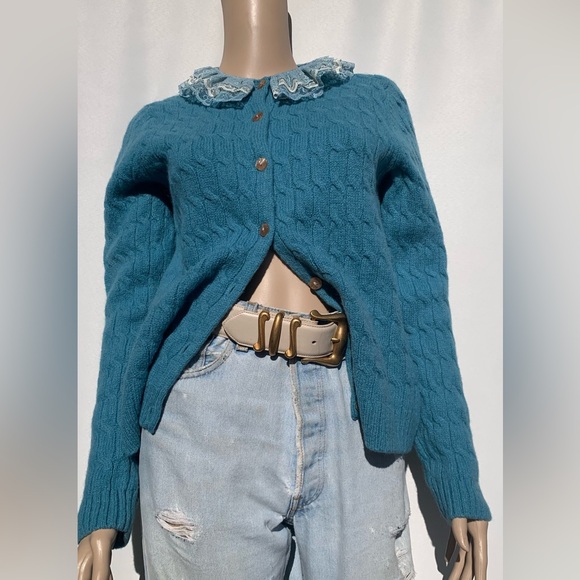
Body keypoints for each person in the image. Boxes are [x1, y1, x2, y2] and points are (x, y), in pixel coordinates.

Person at [78, 1, 491, 578]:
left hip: (358, 412)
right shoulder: (161, 126)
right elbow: (130, 313)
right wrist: (105, 496)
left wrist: (456, 474)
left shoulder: (371, 103)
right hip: (204, 417)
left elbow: (419, 294)